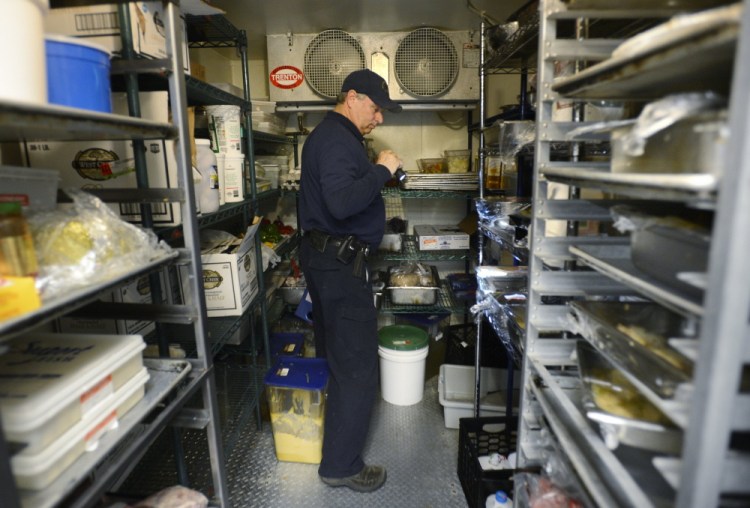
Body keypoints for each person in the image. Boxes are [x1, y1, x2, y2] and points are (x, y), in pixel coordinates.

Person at [298, 69, 403, 493]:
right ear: (353, 97)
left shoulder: (334, 137)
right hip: (340, 268)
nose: (379, 118)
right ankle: (340, 467)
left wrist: (378, 174)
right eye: (376, 108)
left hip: (328, 261)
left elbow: (340, 196)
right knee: (357, 366)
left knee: (341, 360)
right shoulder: (337, 139)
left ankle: (337, 453)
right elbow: (341, 203)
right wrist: (381, 170)